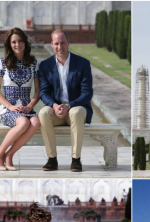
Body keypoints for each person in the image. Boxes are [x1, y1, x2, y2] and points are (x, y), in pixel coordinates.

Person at [39, 29, 93, 172]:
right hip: (57, 110)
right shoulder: (45, 66)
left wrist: (69, 106)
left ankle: (76, 160)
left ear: (68, 42)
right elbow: (43, 92)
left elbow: (87, 93)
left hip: (76, 109)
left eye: (62, 43)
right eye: (56, 43)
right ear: (52, 44)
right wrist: (54, 105)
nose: (60, 47)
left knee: (75, 112)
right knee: (43, 113)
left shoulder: (82, 64)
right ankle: (52, 159)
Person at [0, 28, 41, 171]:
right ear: (9, 44)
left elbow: (38, 90)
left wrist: (30, 105)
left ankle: (9, 155)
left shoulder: (34, 63)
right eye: (13, 42)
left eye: (20, 41)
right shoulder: (2, 62)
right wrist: (10, 106)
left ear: (25, 43)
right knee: (23, 122)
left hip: (27, 108)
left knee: (36, 121)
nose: (17, 44)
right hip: (8, 109)